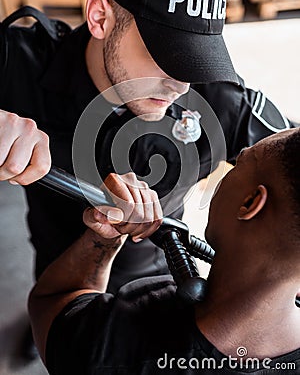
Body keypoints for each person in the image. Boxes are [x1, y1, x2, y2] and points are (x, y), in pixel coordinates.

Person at [0, 0, 296, 360]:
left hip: (161, 277)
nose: (181, 83)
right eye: (164, 53)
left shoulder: (220, 100)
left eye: (195, 56)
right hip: (56, 254)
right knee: (55, 318)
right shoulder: (18, 64)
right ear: (101, 16)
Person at [28, 127, 300, 374]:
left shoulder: (113, 346)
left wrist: (106, 237)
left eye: (239, 163)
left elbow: (52, 298)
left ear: (250, 202)